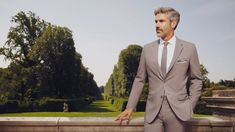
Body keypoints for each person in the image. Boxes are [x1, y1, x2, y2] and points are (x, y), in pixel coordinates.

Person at [115, 7, 202, 132]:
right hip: (153, 113)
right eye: (155, 21)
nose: (157, 25)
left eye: (161, 21)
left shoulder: (189, 48)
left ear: (173, 23)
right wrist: (130, 107)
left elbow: (197, 79)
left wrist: (190, 105)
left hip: (179, 112)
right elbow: (140, 79)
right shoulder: (147, 49)